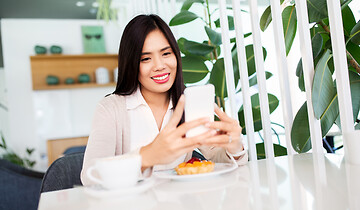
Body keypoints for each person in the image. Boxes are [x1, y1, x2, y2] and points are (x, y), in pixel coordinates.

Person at [81, 14, 247, 186]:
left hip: (181, 208)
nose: (159, 65)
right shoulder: (111, 109)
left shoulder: (188, 104)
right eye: (145, 58)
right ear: (131, 64)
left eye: (166, 53)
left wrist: (234, 146)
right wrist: (147, 155)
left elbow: (224, 162)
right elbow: (90, 177)